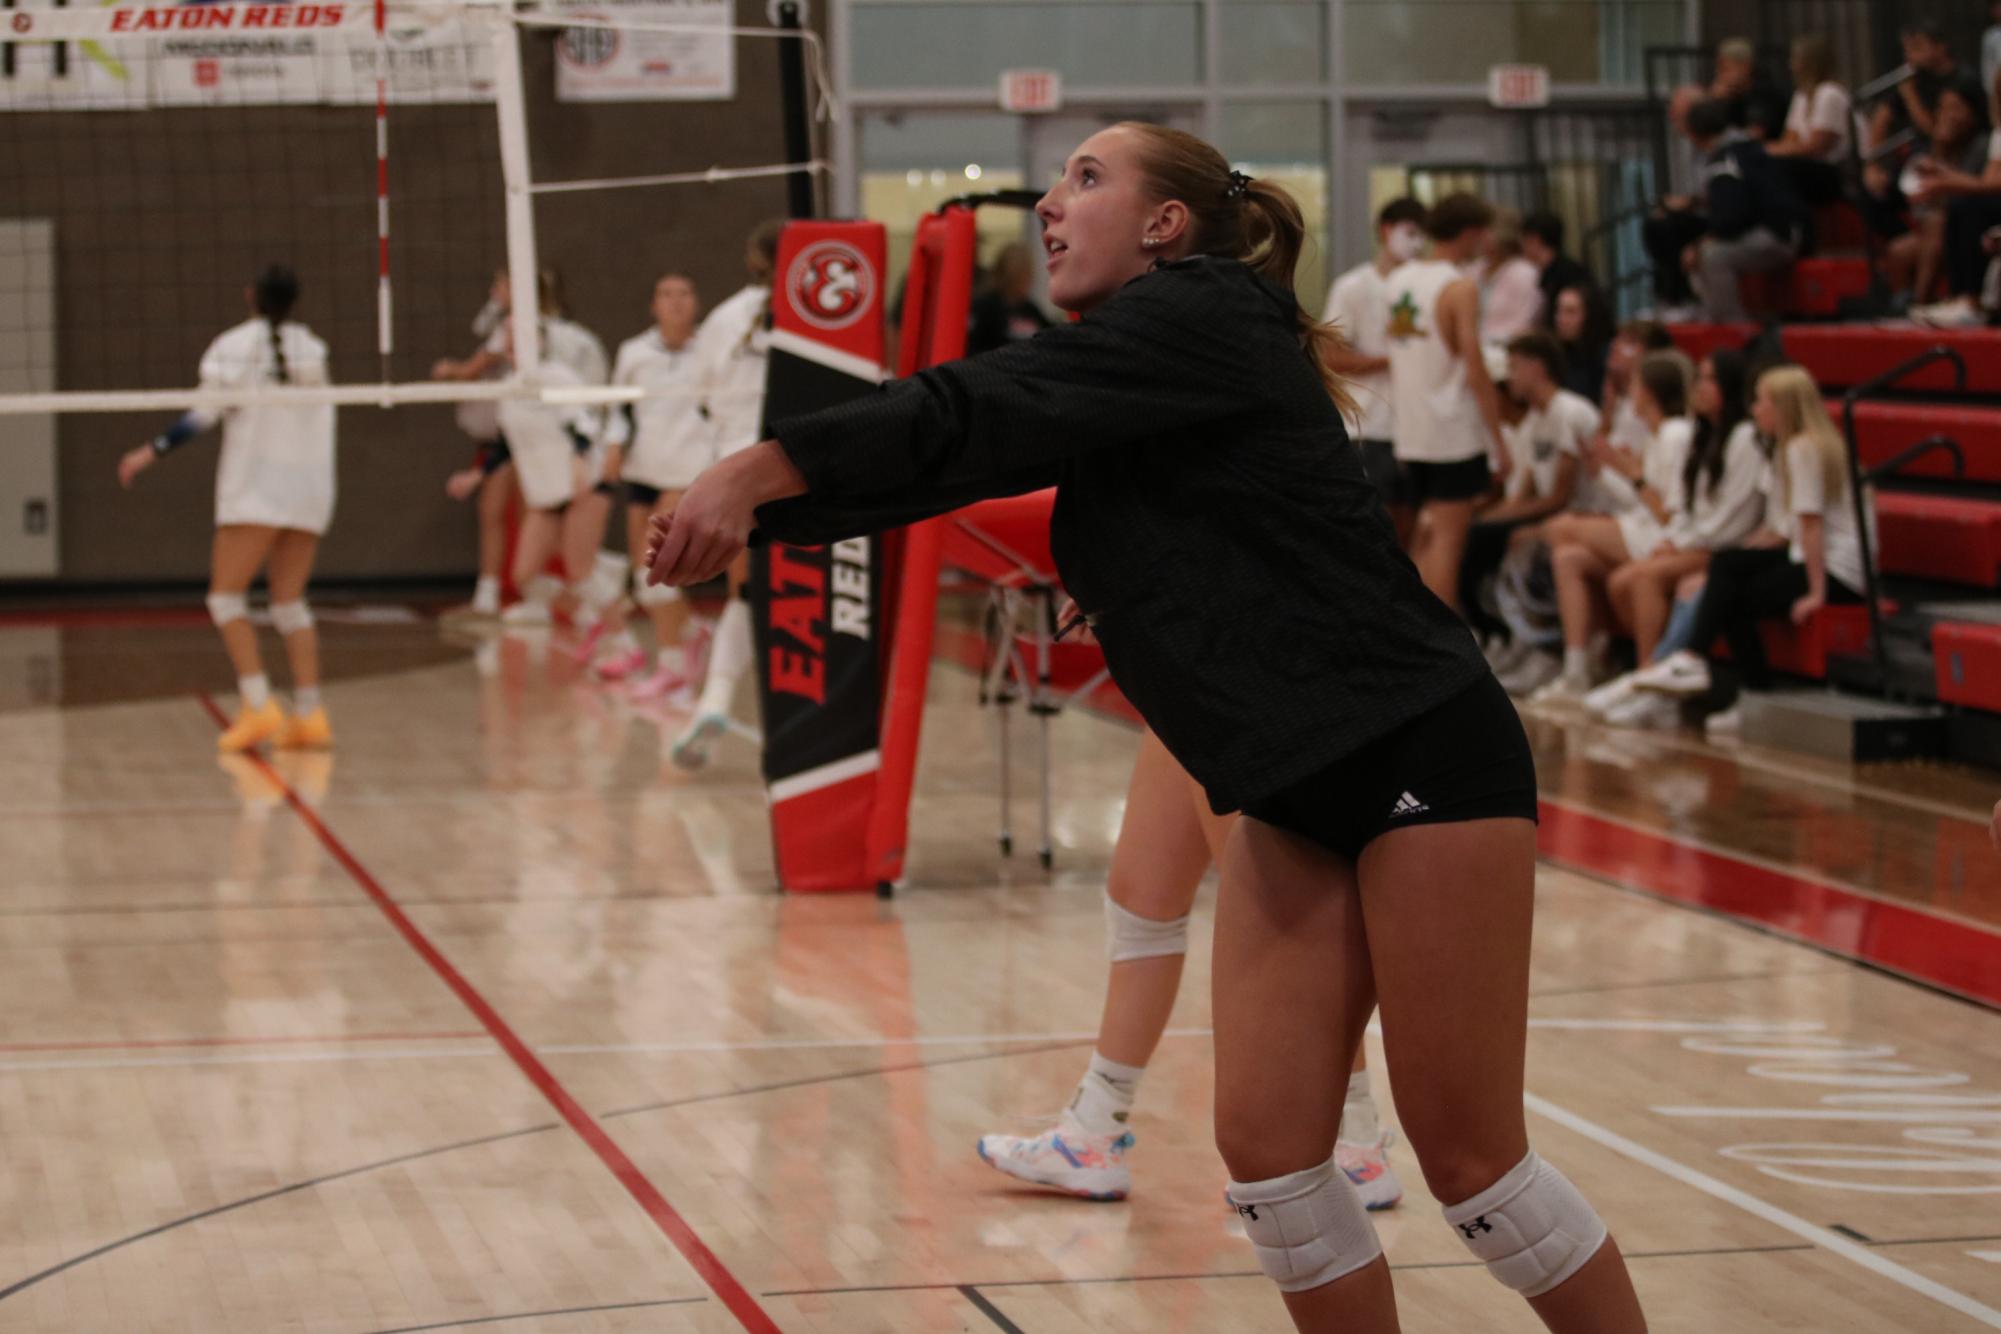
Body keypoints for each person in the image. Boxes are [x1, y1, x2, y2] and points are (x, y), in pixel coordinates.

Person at [645, 120, 1646, 1333]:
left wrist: (759, 468)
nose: (1051, 205)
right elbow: (967, 459)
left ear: (1166, 227)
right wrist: (772, 511)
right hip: (1285, 782)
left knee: (1475, 1169)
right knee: (1276, 1170)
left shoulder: (1211, 311)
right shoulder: (1142, 371)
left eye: (1086, 178)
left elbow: (980, 406)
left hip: (1416, 750)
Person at [975, 729, 1401, 1210]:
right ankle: (1092, 1128)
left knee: (1278, 909)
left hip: (1240, 673)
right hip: (1180, 670)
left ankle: (1355, 1139)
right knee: (1141, 902)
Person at [118, 265, 337, 752]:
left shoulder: (232, 348)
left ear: (250, 296)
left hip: (256, 490)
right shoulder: (314, 350)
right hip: (310, 490)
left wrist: (147, 452)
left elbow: (200, 416)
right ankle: (310, 714)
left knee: (225, 599)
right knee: (289, 604)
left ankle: (259, 704)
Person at [1632, 364, 1867, 737]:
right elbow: (1781, 530)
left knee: (1727, 583)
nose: (1755, 410)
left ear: (1785, 407)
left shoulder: (1803, 448)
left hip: (1836, 571)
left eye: (1761, 402)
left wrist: (1816, 594)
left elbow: (1810, 525)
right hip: (1816, 560)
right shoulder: (1798, 446)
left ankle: (1702, 662)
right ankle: (1733, 683)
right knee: (1726, 580)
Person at [1587, 349, 1768, 728]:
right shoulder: (1704, 434)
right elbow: (1686, 506)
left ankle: (1650, 683)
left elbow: (1733, 517)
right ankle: (1649, 678)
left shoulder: (1745, 437)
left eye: (1708, 379)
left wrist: (1681, 541)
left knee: (1642, 576)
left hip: (1727, 547)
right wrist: (1674, 536)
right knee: (1623, 579)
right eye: (1698, 378)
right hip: (1701, 541)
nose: (1698, 388)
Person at [670, 218, 785, 770]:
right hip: (798, 469)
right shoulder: (819, 311)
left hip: (740, 471)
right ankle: (797, 728)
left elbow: (706, 398)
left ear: (751, 259)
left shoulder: (723, 319)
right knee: (805, 601)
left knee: (746, 595)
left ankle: (715, 700)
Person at [1529, 351, 1692, 703]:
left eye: (1634, 384)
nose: (1629, 392)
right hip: (1646, 526)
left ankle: (1634, 669)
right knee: (1569, 558)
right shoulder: (1657, 435)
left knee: (1560, 529)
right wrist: (1603, 470)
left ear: (1649, 390)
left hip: (1667, 535)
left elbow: (1669, 511)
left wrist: (1628, 471)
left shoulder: (1677, 434)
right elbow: (1639, 501)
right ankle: (1577, 668)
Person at [591, 272, 713, 696]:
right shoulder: (635, 351)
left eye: (684, 293)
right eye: (666, 294)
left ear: (696, 303)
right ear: (653, 306)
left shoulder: (711, 349)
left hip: (689, 470)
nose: (675, 302)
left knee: (652, 569)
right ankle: (691, 632)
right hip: (644, 470)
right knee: (643, 574)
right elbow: (619, 409)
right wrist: (612, 446)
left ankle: (673, 664)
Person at [1388, 192, 1510, 613]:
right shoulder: (1458, 287)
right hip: (1451, 431)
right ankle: (1443, 652)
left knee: (1424, 538)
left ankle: (1416, 640)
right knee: (1447, 546)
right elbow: (1474, 368)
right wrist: (1498, 440)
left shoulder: (1399, 280)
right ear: (1473, 232)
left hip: (1410, 431)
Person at [1468, 336, 1585, 686]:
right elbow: (1527, 492)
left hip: (1582, 512)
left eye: (1515, 367)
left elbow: (1561, 497)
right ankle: (1504, 635)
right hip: (1555, 512)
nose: (1511, 377)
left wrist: (1496, 522)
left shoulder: (1569, 411)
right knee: (1475, 534)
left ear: (1538, 367)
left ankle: (1542, 646)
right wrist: (1489, 518)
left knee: (1511, 538)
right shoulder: (1539, 417)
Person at [1322, 197, 1428, 542]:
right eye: (1410, 232)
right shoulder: (1353, 287)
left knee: (1412, 523)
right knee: (1373, 522)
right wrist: (1392, 360)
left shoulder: (1428, 288)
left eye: (1422, 234)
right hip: (1369, 423)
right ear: (1386, 231)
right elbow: (1330, 356)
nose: (1417, 242)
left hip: (1415, 426)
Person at [435, 267, 520, 624]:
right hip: (502, 437)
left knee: (496, 514)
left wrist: (448, 369)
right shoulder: (501, 324)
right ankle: (495, 597)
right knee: (502, 515)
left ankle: (495, 599)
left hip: (513, 437)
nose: (493, 289)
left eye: (500, 283)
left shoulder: (516, 326)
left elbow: (471, 368)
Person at [1684, 97, 1810, 323]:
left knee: (1712, 255)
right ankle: (1713, 315)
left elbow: (1732, 217)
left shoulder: (1727, 160)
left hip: (1779, 234)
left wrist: (1700, 243)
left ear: (1694, 134)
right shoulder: (1742, 148)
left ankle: (1732, 326)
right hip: (1777, 230)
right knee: (1705, 248)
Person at [1907, 66, 2001, 324]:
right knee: (1962, 206)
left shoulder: (1981, 141)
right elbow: (1990, 181)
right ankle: (1960, 299)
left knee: (1969, 207)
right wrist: (1943, 176)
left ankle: (1970, 301)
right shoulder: (1998, 132)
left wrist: (1946, 181)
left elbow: (1991, 184)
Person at [1766, 34, 1857, 205]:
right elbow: (1790, 140)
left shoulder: (1830, 93)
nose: (1791, 66)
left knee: (1777, 170)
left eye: (1795, 59)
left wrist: (1767, 151)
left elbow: (1817, 147)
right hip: (1809, 167)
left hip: (1836, 171)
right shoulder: (1801, 96)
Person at [1872, 19, 1985, 149]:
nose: (1910, 56)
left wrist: (1910, 95)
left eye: (1917, 47)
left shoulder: (1963, 81)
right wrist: (1873, 164)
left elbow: (1940, 134)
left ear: (1940, 46)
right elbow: (1882, 117)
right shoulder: (1916, 78)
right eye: (1907, 49)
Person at [967, 243, 1054, 354]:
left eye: (1027, 274)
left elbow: (1049, 333)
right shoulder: (985, 308)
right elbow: (973, 347)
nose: (1026, 282)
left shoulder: (1030, 309)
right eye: (1019, 276)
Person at [1480, 209, 1545, 343]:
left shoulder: (1524, 272)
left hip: (1508, 349)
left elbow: (1526, 321)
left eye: (1484, 231)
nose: (1479, 237)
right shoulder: (1474, 269)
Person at [1712, 36, 1790, 143]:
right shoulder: (1729, 94)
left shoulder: (1764, 91)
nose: (1721, 74)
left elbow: (1755, 134)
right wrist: (1715, 102)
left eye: (1725, 68)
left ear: (1745, 66)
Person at [1521, 211, 1592, 325]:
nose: (1522, 246)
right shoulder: (1545, 272)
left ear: (1535, 239)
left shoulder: (1568, 273)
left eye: (1524, 239)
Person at [1551, 283, 1611, 401]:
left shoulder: (1607, 356)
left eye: (1570, 312)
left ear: (1590, 314)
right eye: (1559, 310)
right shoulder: (1557, 355)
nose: (1561, 319)